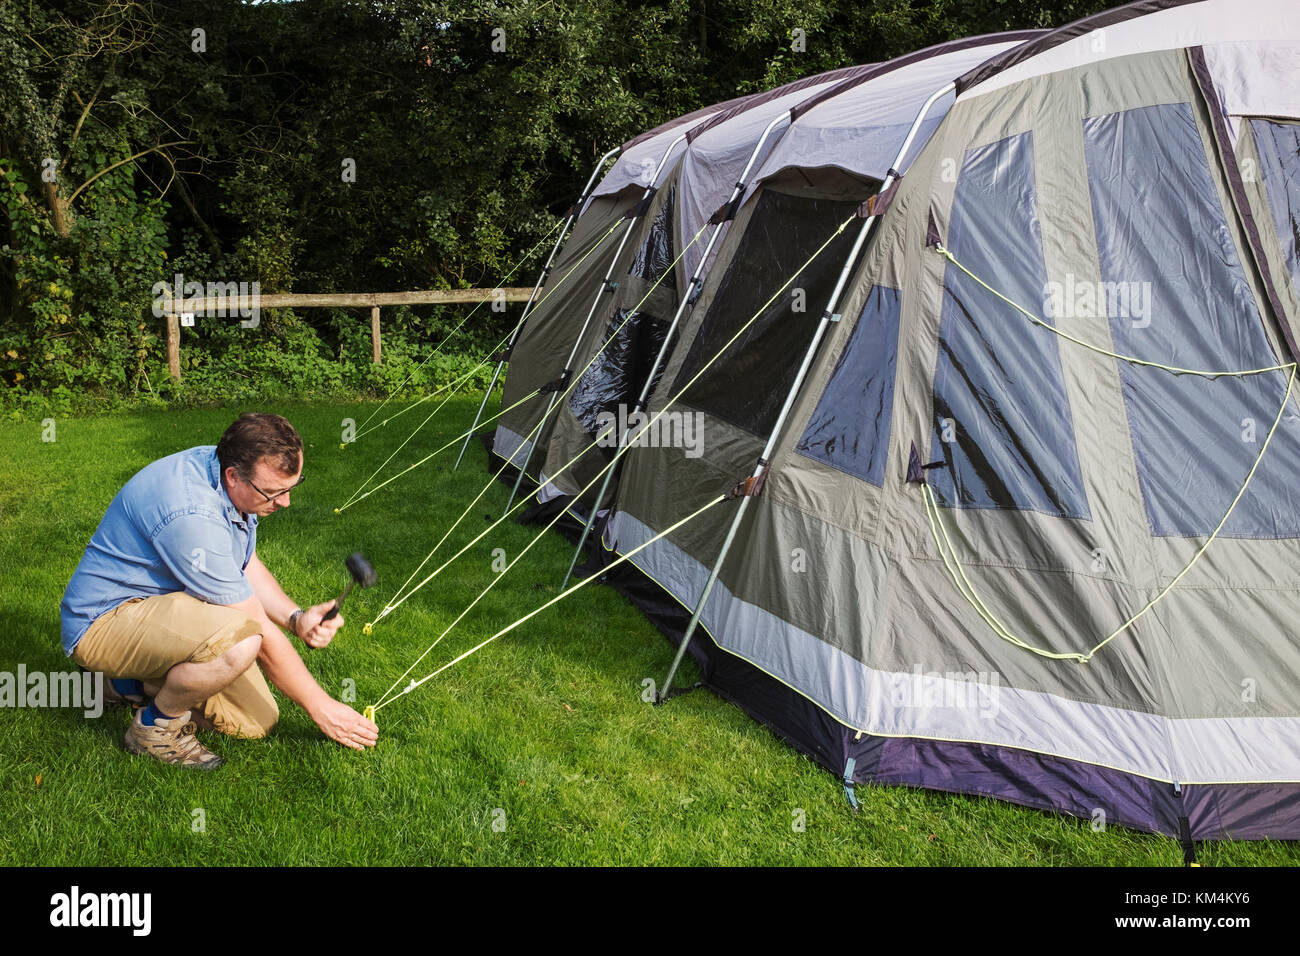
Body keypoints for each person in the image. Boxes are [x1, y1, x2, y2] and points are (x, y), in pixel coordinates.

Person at [59, 412, 379, 768]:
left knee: (253, 722)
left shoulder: (228, 471)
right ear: (233, 476)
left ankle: (120, 686)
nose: (285, 502)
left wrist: (297, 618)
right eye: (274, 492)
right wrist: (323, 708)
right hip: (104, 621)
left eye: (292, 487)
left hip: (161, 607)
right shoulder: (193, 517)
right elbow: (256, 626)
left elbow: (242, 563)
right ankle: (153, 730)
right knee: (243, 641)